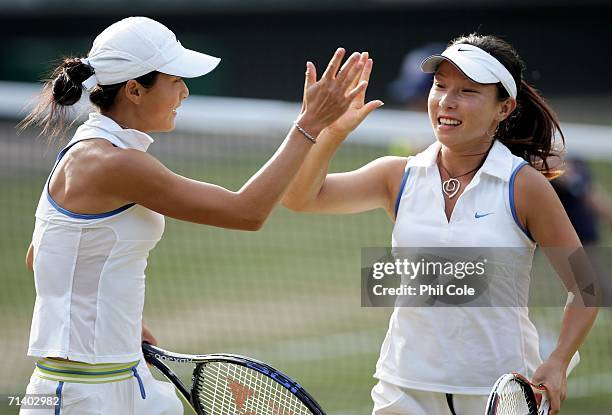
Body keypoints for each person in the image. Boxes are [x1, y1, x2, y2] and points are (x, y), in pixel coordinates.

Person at [19, 16, 370, 415]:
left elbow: (39, 255)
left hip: (125, 379)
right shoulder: (109, 162)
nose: (185, 92)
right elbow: (247, 212)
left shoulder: (96, 150)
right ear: (135, 90)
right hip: (80, 395)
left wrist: (120, 324)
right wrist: (309, 124)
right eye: (175, 81)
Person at [282, 34, 597, 415]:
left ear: (504, 107)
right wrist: (332, 133)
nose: (447, 100)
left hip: (499, 394)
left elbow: (587, 285)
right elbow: (300, 198)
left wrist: (559, 360)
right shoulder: (397, 175)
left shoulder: (523, 185)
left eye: (467, 90)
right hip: (402, 387)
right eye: (440, 85)